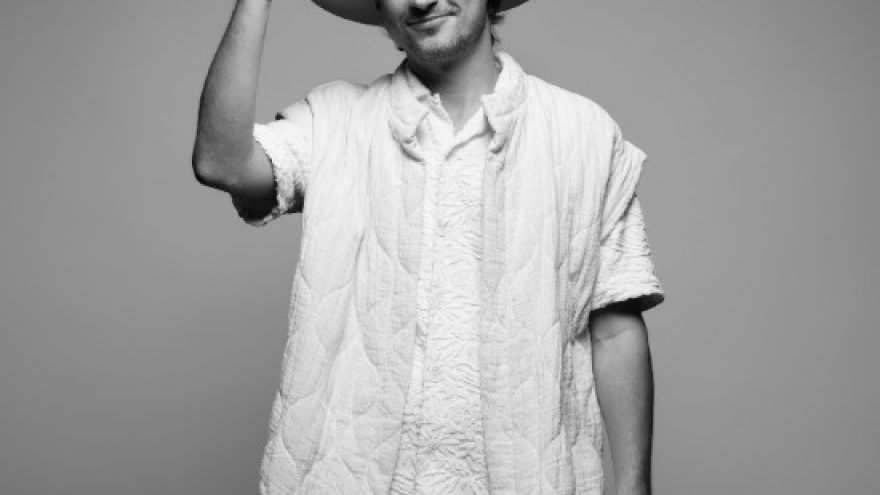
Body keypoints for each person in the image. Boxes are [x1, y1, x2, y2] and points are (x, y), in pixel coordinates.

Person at [192, 1, 666, 494]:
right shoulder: (335, 120)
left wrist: (635, 487)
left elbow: (615, 331)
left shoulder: (584, 133)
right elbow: (221, 163)